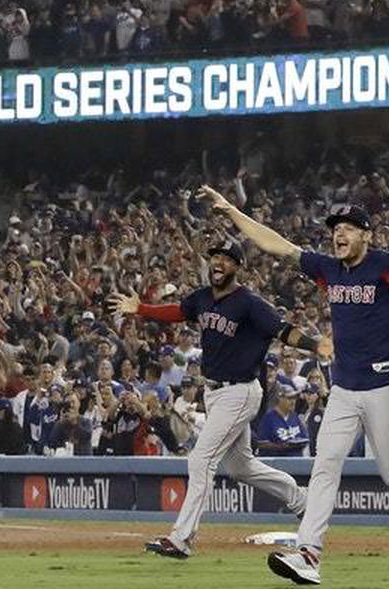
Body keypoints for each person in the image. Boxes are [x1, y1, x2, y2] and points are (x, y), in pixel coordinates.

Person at [198, 180, 389, 586]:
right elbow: (276, 244)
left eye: (348, 226)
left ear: (366, 234)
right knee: (324, 466)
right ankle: (309, 553)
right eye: (335, 227)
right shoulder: (328, 268)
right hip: (345, 386)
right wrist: (230, 211)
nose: (339, 233)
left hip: (386, 383)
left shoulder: (386, 265)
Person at [109, 238, 323, 559]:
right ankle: (303, 501)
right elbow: (178, 311)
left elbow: (283, 331)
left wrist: (315, 345)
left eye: (225, 258)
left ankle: (181, 538)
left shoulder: (249, 302)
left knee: (201, 459)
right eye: (215, 258)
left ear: (237, 266)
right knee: (241, 467)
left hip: (240, 390)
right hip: (215, 392)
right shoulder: (204, 298)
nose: (218, 263)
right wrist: (141, 308)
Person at [254, 384, 308, 457]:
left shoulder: (294, 417)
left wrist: (299, 444)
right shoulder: (269, 419)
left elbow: (304, 437)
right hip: (277, 463)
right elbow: (261, 444)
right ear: (280, 398)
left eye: (294, 398)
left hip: (296, 461)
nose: (293, 401)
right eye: (289, 398)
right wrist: (280, 446)